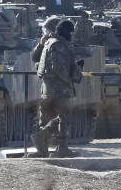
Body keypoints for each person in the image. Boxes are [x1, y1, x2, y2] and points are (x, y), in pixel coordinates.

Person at [33, 19, 85, 157]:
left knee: (46, 118)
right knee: (64, 117)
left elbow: (36, 60)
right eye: (71, 33)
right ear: (67, 32)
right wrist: (78, 70)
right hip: (60, 89)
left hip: (46, 89)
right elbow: (61, 70)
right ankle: (60, 147)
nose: (72, 36)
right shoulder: (61, 46)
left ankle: (42, 150)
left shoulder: (48, 43)